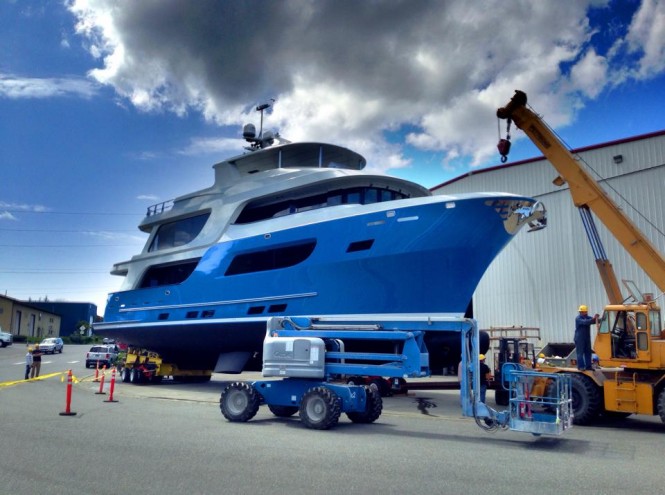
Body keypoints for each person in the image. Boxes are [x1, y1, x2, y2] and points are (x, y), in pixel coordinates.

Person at [575, 305, 600, 371]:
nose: (583, 313)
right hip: (579, 338)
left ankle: (588, 367)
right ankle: (581, 367)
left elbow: (593, 321)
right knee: (580, 353)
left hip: (587, 338)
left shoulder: (588, 317)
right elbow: (586, 322)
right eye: (582, 312)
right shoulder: (578, 318)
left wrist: (598, 318)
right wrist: (593, 319)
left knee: (588, 352)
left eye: (584, 312)